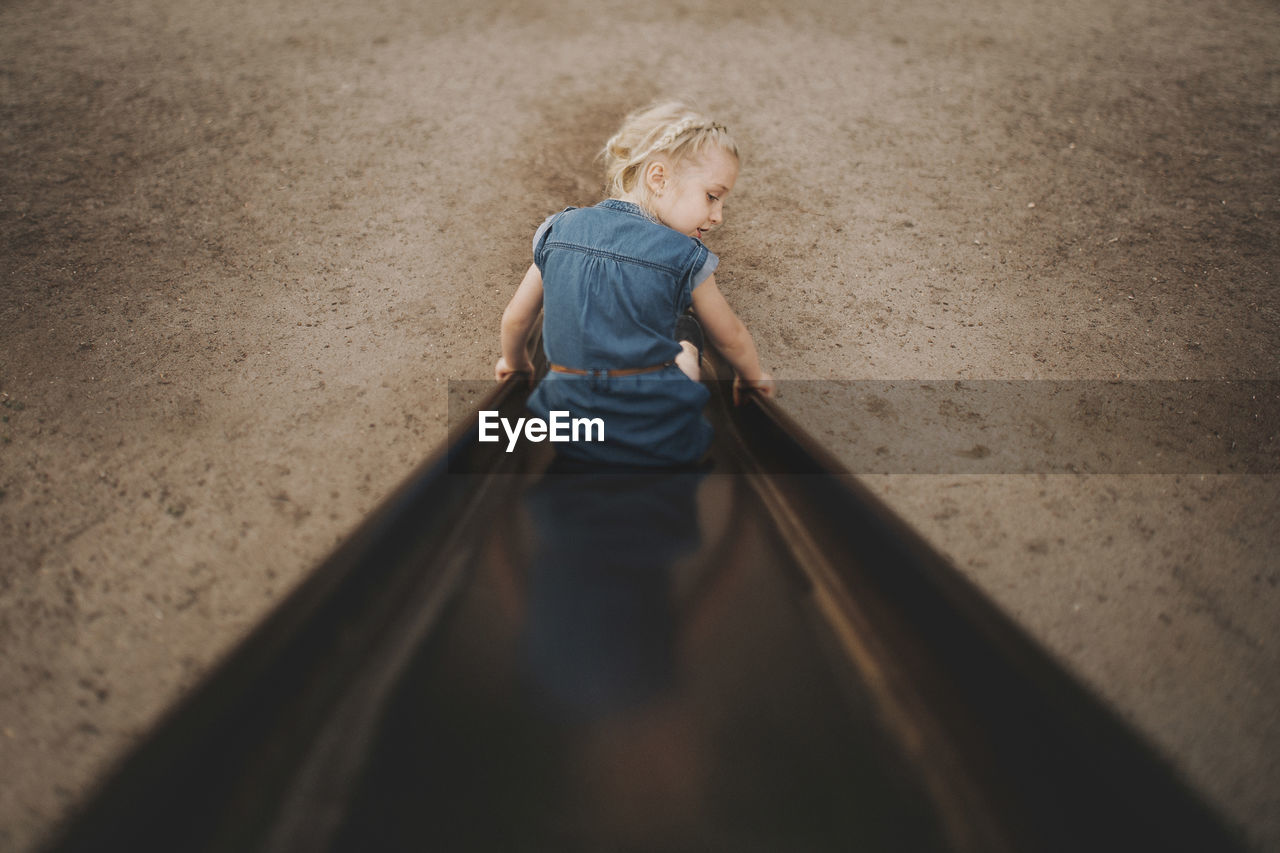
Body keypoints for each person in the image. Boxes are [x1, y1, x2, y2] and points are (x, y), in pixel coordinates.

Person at [495, 101, 774, 467]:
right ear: (658, 178)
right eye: (712, 196)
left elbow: (517, 319)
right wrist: (752, 378)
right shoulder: (684, 254)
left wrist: (517, 365)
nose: (718, 216)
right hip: (660, 435)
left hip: (564, 428)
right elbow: (730, 336)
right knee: (685, 330)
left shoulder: (558, 229)